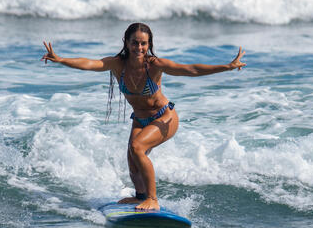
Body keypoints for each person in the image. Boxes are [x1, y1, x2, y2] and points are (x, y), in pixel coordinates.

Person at [42, 23, 245, 211]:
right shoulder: (117, 64)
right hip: (140, 120)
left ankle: (153, 199)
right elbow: (89, 63)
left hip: (165, 117)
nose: (139, 47)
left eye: (143, 43)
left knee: (138, 147)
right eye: (135, 43)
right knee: (132, 160)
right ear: (127, 43)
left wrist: (226, 66)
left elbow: (190, 69)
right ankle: (141, 196)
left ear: (149, 44)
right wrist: (61, 60)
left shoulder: (154, 65)